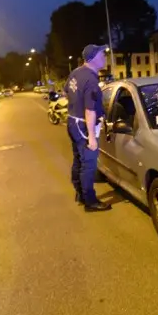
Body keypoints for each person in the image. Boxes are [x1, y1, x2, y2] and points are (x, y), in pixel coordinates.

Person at [65, 44, 111, 211]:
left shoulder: (75, 73)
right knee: (89, 165)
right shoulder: (91, 80)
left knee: (78, 160)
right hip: (84, 126)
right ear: (92, 58)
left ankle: (80, 193)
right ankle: (90, 201)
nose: (105, 57)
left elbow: (66, 93)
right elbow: (89, 110)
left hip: (72, 122)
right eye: (102, 55)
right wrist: (91, 137)